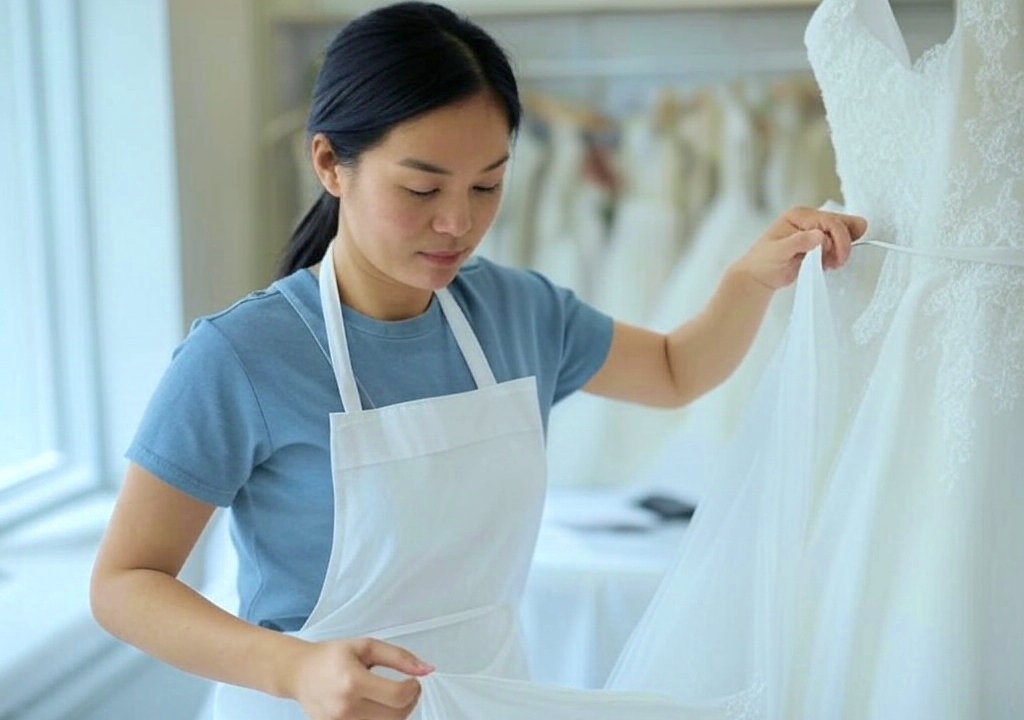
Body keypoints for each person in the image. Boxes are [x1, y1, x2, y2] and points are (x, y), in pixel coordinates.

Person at [88, 3, 866, 720]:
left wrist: (751, 276)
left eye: (488, 184)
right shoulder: (243, 356)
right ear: (330, 163)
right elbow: (125, 583)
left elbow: (671, 371)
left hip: (487, 700)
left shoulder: (517, 311)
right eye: (422, 187)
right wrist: (294, 668)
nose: (458, 223)